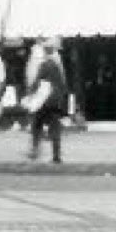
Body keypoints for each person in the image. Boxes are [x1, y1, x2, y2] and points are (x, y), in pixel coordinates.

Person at [23, 36, 67, 164]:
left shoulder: (44, 65)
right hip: (55, 102)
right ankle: (56, 155)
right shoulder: (58, 66)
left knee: (37, 125)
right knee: (55, 129)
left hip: (43, 101)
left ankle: (35, 150)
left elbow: (37, 82)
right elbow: (62, 85)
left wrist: (30, 95)